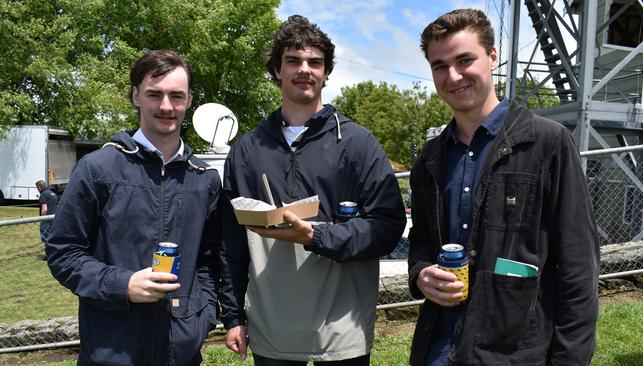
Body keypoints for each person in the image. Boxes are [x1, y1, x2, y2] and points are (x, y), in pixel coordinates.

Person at [407, 8, 599, 366]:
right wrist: (420, 275)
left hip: (514, 353)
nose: (453, 75)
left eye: (465, 60)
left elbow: (578, 268)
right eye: (439, 65)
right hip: (437, 347)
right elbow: (420, 242)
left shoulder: (548, 143)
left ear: (493, 57)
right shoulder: (430, 158)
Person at [218, 15, 406, 366]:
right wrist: (232, 315)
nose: (305, 69)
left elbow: (388, 225)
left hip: (343, 328)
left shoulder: (357, 143)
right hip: (272, 329)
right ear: (276, 70)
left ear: (326, 72)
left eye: (315, 62)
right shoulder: (247, 149)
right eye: (293, 61)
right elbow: (231, 242)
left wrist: (318, 237)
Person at [46, 50, 229, 365]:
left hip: (181, 352)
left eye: (176, 95)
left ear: (189, 100)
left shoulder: (205, 179)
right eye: (154, 94)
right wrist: (123, 284)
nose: (166, 106)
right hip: (112, 348)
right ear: (135, 96)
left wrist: (202, 318)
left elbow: (210, 262)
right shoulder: (97, 169)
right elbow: (64, 253)